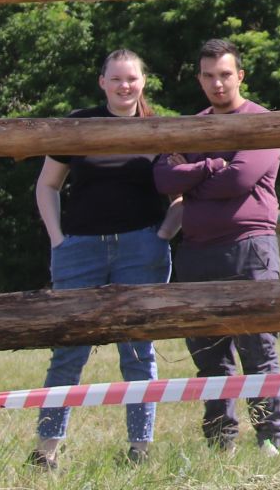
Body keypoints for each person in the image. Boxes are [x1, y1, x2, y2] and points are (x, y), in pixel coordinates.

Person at [31, 49, 180, 470]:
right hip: (80, 249)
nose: (124, 86)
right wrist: (59, 240)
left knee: (138, 352)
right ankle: (46, 450)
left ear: (143, 82)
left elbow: (182, 193)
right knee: (68, 351)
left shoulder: (158, 129)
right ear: (102, 82)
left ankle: (140, 450)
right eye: (115, 79)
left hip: (141, 248)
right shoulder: (78, 124)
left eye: (131, 79)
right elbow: (47, 186)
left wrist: (162, 236)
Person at [152, 38, 280, 455]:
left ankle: (269, 440)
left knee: (257, 348)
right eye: (208, 76)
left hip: (249, 248)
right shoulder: (192, 125)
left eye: (225, 74)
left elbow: (240, 181)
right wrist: (211, 165)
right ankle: (220, 441)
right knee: (209, 354)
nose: (217, 83)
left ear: (240, 75)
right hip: (196, 252)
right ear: (199, 79)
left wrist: (193, 178)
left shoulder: (261, 121)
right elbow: (164, 179)